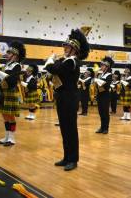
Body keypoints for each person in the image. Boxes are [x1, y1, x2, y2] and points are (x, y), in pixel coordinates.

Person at [44, 28, 89, 171]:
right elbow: (55, 71)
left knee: (71, 129)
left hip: (70, 98)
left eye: (67, 47)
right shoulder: (66, 60)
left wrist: (50, 59)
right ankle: (66, 157)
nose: (64, 48)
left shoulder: (72, 61)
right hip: (62, 97)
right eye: (65, 46)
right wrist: (53, 63)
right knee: (64, 129)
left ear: (74, 50)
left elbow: (53, 68)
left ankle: (73, 159)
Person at [0, 41, 26, 146]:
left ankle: (12, 138)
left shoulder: (17, 66)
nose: (7, 54)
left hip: (10, 92)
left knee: (11, 116)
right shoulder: (6, 66)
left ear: (15, 55)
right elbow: (3, 79)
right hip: (3, 92)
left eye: (9, 53)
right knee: (5, 115)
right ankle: (6, 136)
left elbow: (12, 80)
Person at [94, 56, 113, 134]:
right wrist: (96, 77)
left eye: (102, 65)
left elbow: (106, 85)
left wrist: (97, 80)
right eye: (101, 65)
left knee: (105, 112)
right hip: (100, 95)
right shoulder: (100, 75)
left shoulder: (109, 75)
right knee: (101, 112)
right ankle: (102, 127)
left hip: (105, 95)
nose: (101, 67)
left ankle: (106, 128)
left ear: (107, 67)